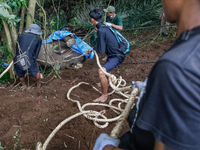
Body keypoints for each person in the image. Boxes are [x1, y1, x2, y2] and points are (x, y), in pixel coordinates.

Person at [93, 0, 200, 149]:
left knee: (101, 71)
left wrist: (108, 148)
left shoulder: (177, 66)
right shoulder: (188, 50)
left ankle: (104, 96)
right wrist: (151, 90)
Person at [89, 8, 125, 103]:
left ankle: (104, 96)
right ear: (101, 17)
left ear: (92, 19)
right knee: (105, 70)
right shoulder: (105, 26)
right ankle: (105, 82)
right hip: (115, 53)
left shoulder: (101, 30)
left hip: (117, 56)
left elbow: (101, 50)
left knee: (101, 72)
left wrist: (92, 48)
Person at [14, 24, 42, 88]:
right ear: (36, 32)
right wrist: (34, 60)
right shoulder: (38, 39)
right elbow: (36, 53)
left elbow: (17, 48)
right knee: (36, 71)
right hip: (29, 59)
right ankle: (38, 85)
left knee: (20, 73)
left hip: (18, 59)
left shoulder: (20, 36)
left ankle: (24, 86)